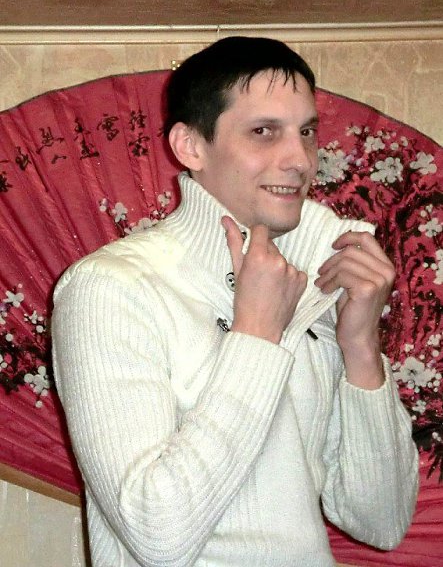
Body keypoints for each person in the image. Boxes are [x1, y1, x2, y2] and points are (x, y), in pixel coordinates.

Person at [52, 36, 418, 567]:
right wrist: (256, 335)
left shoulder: (318, 275)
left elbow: (381, 522)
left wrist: (361, 345)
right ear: (190, 146)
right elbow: (157, 536)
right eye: (263, 132)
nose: (299, 160)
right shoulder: (110, 288)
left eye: (307, 132)